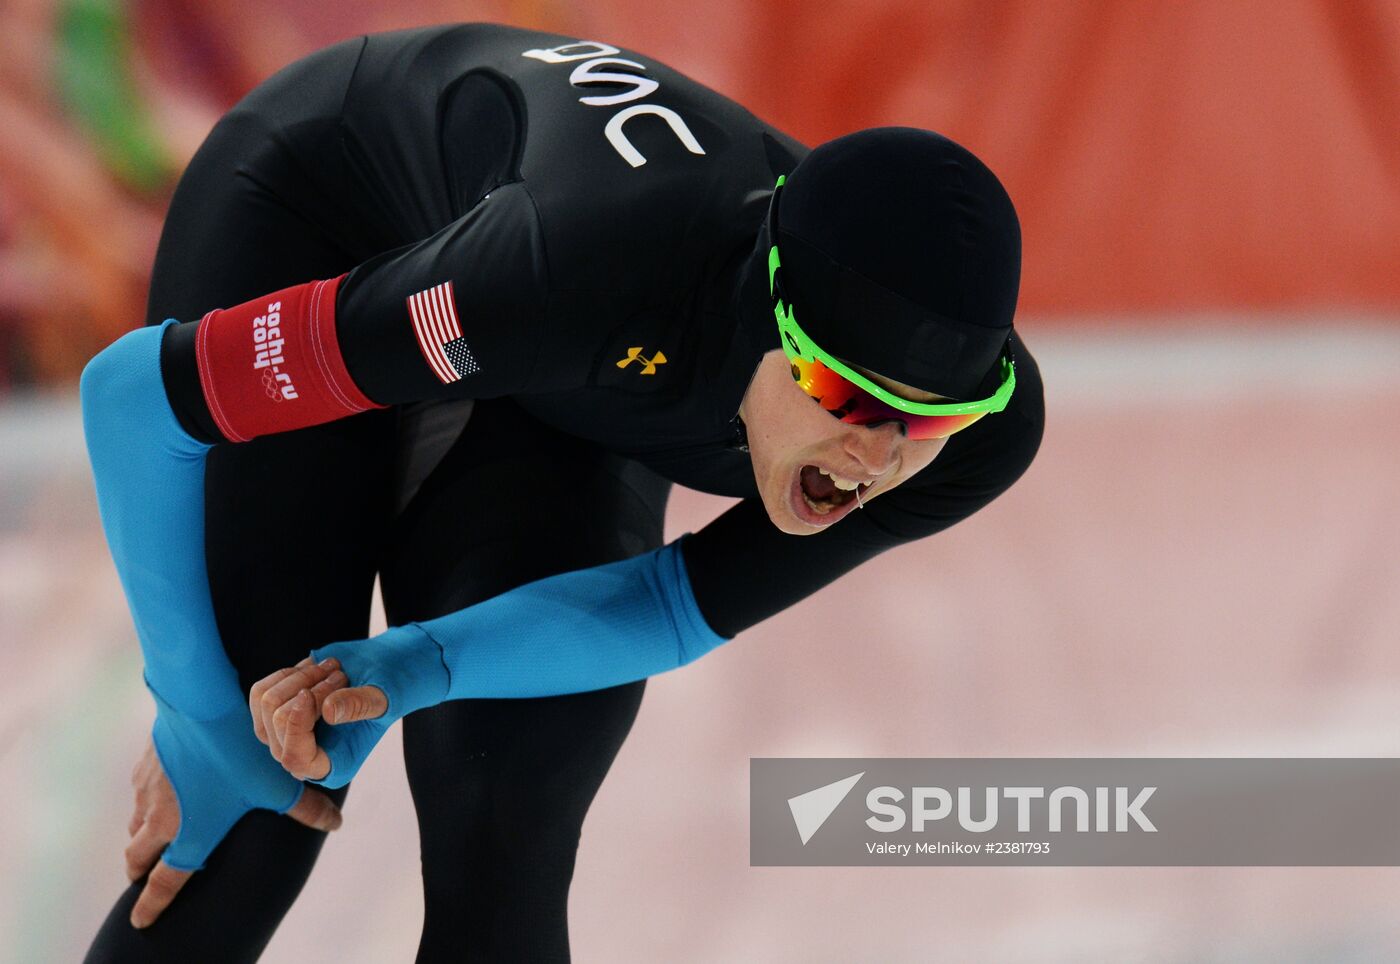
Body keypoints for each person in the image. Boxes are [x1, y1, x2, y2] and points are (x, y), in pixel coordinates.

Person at [79, 22, 1044, 962]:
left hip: (569, 373)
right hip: (329, 216)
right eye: (841, 393)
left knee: (508, 815)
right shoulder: (573, 270)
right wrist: (191, 709)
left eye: (925, 422)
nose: (874, 458)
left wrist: (415, 665)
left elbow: (672, 604)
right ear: (765, 316)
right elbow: (130, 398)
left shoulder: (983, 442)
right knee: (254, 801)